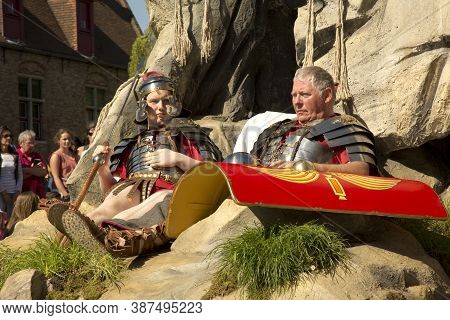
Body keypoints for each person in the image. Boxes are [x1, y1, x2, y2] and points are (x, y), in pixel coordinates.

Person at [48, 71, 223, 257]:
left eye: (167, 101)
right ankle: (75, 235)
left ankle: (108, 234)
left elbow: (212, 174)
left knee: (157, 200)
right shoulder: (132, 141)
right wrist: (103, 169)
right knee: (109, 206)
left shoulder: (189, 135)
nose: (161, 107)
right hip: (134, 186)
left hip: (172, 189)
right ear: (143, 106)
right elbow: (109, 189)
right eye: (154, 101)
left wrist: (178, 159)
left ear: (175, 104)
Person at [247, 66, 377, 175]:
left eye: (305, 95)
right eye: (294, 95)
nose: (297, 102)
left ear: (327, 95)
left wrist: (308, 168)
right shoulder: (277, 129)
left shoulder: (345, 128)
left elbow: (361, 171)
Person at [49, 129, 79, 201]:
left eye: (69, 139)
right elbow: (56, 177)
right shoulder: (56, 156)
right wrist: (65, 194)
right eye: (64, 139)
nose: (67, 141)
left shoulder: (74, 155)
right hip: (64, 191)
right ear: (58, 140)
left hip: (76, 190)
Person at [16, 130, 48, 198]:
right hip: (22, 196)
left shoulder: (37, 156)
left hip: (38, 194)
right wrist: (34, 170)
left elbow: (43, 171)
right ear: (21, 143)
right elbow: (18, 177)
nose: (32, 145)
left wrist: (25, 170)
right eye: (29, 143)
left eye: (33, 142)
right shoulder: (16, 156)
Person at [0, 126, 23, 217]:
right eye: (5, 136)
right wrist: (4, 193)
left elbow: (19, 174)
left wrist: (17, 191)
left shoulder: (15, 154)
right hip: (1, 193)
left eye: (10, 136)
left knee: (12, 220)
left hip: (14, 192)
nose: (9, 138)